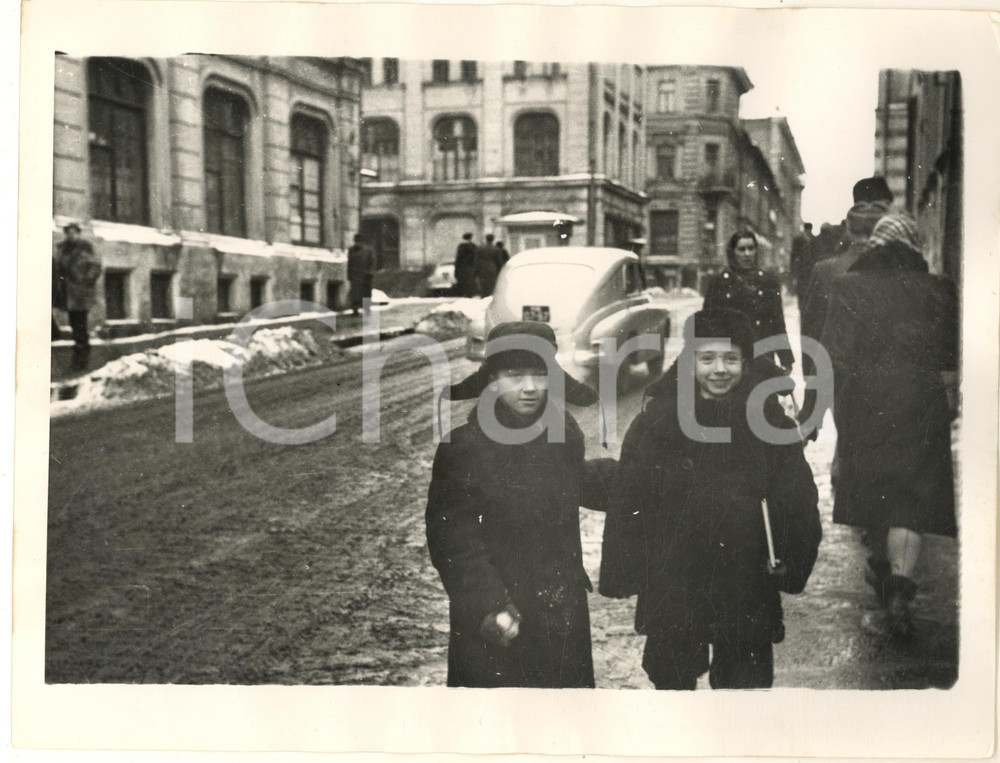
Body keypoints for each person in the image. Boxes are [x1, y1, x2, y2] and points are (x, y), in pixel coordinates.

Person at [599, 308, 821, 689]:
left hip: (745, 573)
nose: (720, 369)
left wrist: (791, 556)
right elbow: (630, 498)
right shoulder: (659, 421)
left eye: (731, 358)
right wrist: (626, 568)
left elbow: (797, 496)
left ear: (745, 363)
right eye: (708, 358)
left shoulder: (769, 422)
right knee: (671, 675)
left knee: (743, 681)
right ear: (690, 362)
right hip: (676, 572)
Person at [425, 321, 613, 688]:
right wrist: (488, 603)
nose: (529, 387)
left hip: (560, 609)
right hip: (499, 619)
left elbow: (576, 482)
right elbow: (452, 539)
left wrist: (643, 477)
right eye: (514, 375)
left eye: (540, 375)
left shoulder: (561, 435)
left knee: (563, 726)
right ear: (491, 378)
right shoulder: (464, 448)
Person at [820, 212, 958, 640]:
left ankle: (881, 569)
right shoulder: (940, 290)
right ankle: (898, 589)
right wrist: (947, 409)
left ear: (876, 246)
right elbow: (951, 362)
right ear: (914, 247)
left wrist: (839, 418)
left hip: (866, 406)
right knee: (911, 502)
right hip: (922, 406)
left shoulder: (848, 288)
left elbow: (833, 360)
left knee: (875, 494)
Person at [797, 179, 893, 435]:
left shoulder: (825, 270)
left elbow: (811, 334)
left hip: (841, 381)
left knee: (850, 446)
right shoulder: (901, 271)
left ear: (849, 230)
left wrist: (812, 397)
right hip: (890, 383)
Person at [703, 230, 795, 372]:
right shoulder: (719, 282)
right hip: (729, 360)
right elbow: (706, 324)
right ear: (732, 252)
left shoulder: (768, 281)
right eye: (741, 249)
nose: (747, 254)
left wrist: (786, 359)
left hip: (762, 357)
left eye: (751, 248)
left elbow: (777, 322)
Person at [53, 222, 102, 370]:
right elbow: (57, 268)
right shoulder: (62, 248)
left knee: (80, 324)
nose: (71, 235)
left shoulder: (86, 247)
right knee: (75, 324)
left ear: (79, 233)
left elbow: (95, 266)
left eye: (74, 232)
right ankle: (78, 356)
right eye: (68, 232)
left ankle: (82, 358)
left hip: (81, 293)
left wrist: (85, 280)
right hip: (67, 293)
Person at [346, 234, 376, 315]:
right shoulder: (351, 250)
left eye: (359, 241)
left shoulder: (369, 250)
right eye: (356, 241)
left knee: (366, 293)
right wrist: (348, 274)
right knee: (355, 293)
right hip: (355, 275)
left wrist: (370, 272)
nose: (358, 243)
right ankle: (355, 310)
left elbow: (372, 262)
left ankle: (367, 309)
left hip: (366, 275)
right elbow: (349, 263)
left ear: (362, 241)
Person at [789, 222, 815, 302]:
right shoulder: (814, 239)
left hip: (801, 271)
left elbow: (793, 256)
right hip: (810, 271)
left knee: (802, 294)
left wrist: (793, 270)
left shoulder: (798, 239)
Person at [453, 232, 478, 297]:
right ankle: (470, 294)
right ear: (470, 238)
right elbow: (476, 257)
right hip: (471, 267)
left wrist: (456, 268)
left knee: (463, 282)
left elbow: (458, 258)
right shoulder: (473, 246)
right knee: (470, 282)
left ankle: (465, 294)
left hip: (462, 267)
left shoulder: (461, 246)